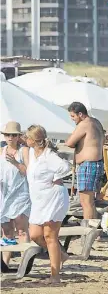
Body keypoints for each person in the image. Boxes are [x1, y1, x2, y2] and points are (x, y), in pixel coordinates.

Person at [25, 125, 71, 284]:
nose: (25, 139)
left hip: (53, 197)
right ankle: (61, 256)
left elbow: (66, 167)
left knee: (50, 236)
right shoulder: (32, 153)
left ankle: (55, 276)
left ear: (33, 140)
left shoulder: (49, 155)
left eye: (27, 137)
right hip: (38, 199)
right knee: (35, 234)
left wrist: (56, 178)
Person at [66, 102, 105, 220]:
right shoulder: (96, 122)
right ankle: (93, 229)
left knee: (85, 202)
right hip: (97, 163)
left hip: (88, 164)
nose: (72, 119)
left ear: (80, 114)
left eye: (73, 116)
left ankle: (88, 230)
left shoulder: (84, 124)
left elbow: (69, 142)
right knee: (91, 202)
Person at [1, 121, 30, 265]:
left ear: (18, 136)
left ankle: (25, 262)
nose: (10, 137)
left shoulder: (24, 150)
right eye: (7, 135)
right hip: (5, 194)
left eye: (13, 135)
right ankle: (5, 263)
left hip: (21, 193)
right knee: (6, 230)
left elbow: (29, 172)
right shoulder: (1, 150)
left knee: (22, 230)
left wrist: (15, 163)